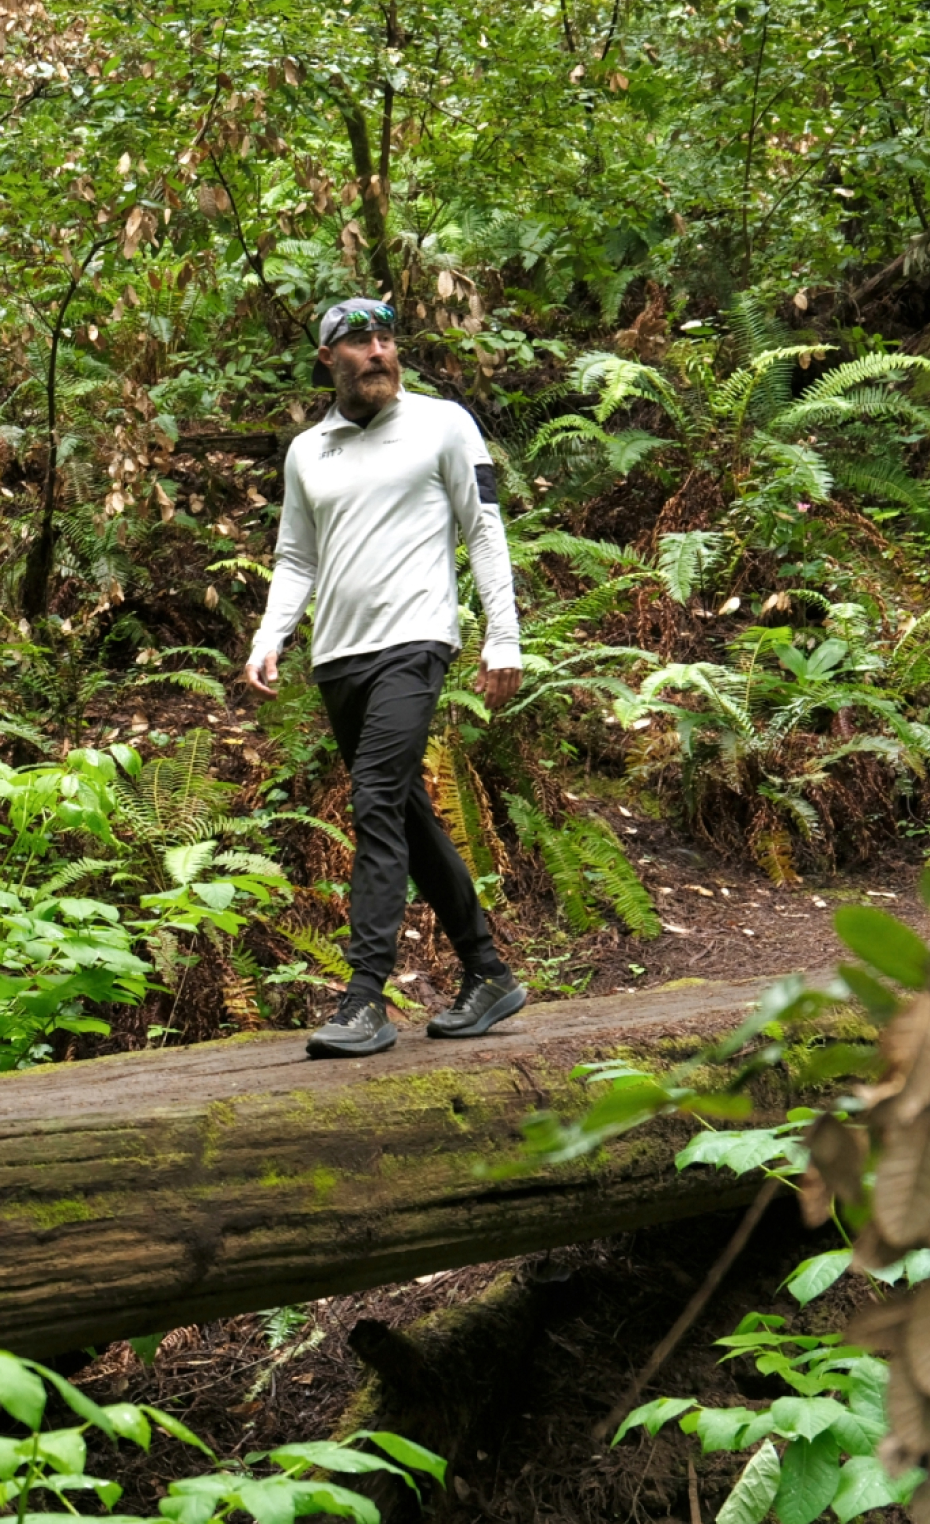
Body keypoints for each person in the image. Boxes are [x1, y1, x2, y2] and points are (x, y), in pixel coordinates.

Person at [243, 297, 526, 1059]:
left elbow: (484, 530)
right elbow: (296, 555)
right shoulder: (309, 451)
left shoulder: (443, 424)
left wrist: (503, 638)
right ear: (328, 358)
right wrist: (272, 636)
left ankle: (365, 998)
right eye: (359, 341)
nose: (377, 351)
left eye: (386, 339)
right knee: (404, 813)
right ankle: (488, 974)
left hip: (416, 639)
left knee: (372, 800)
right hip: (338, 655)